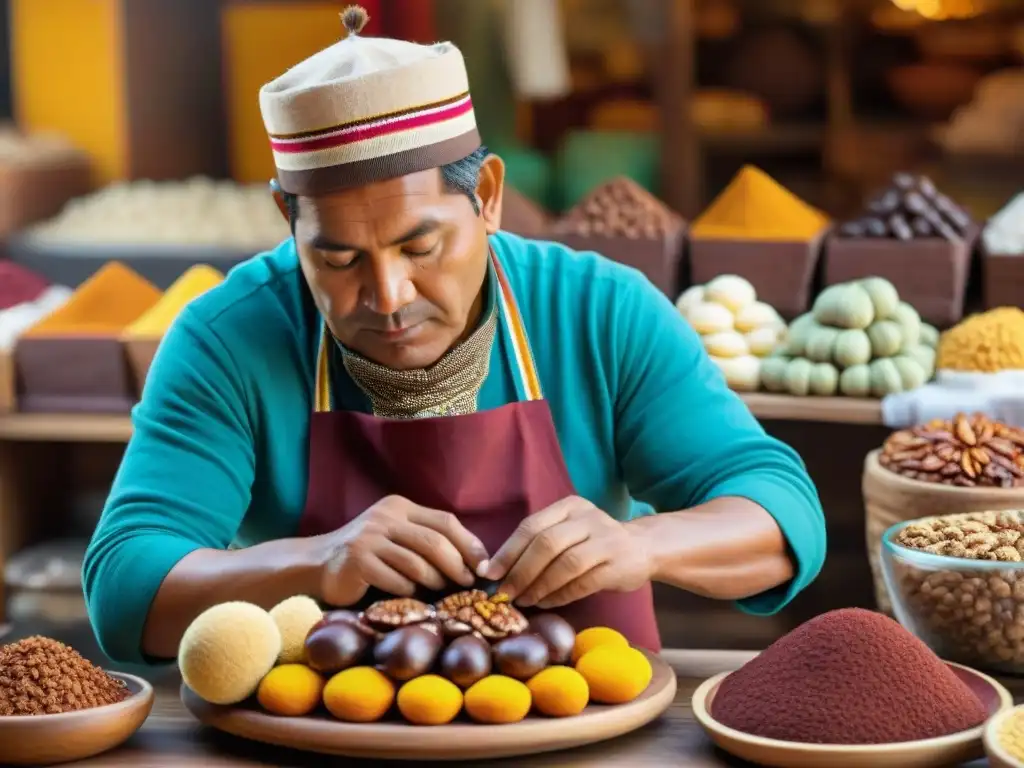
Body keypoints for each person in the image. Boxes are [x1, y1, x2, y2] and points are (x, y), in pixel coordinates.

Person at [83, 6, 826, 664]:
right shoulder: (229, 338)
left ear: (490, 198)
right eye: (338, 258)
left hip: (583, 732)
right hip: (324, 736)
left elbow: (780, 508)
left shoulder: (599, 311)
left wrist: (642, 544)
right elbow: (123, 587)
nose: (388, 295)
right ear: (288, 221)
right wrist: (315, 563)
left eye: (420, 247)